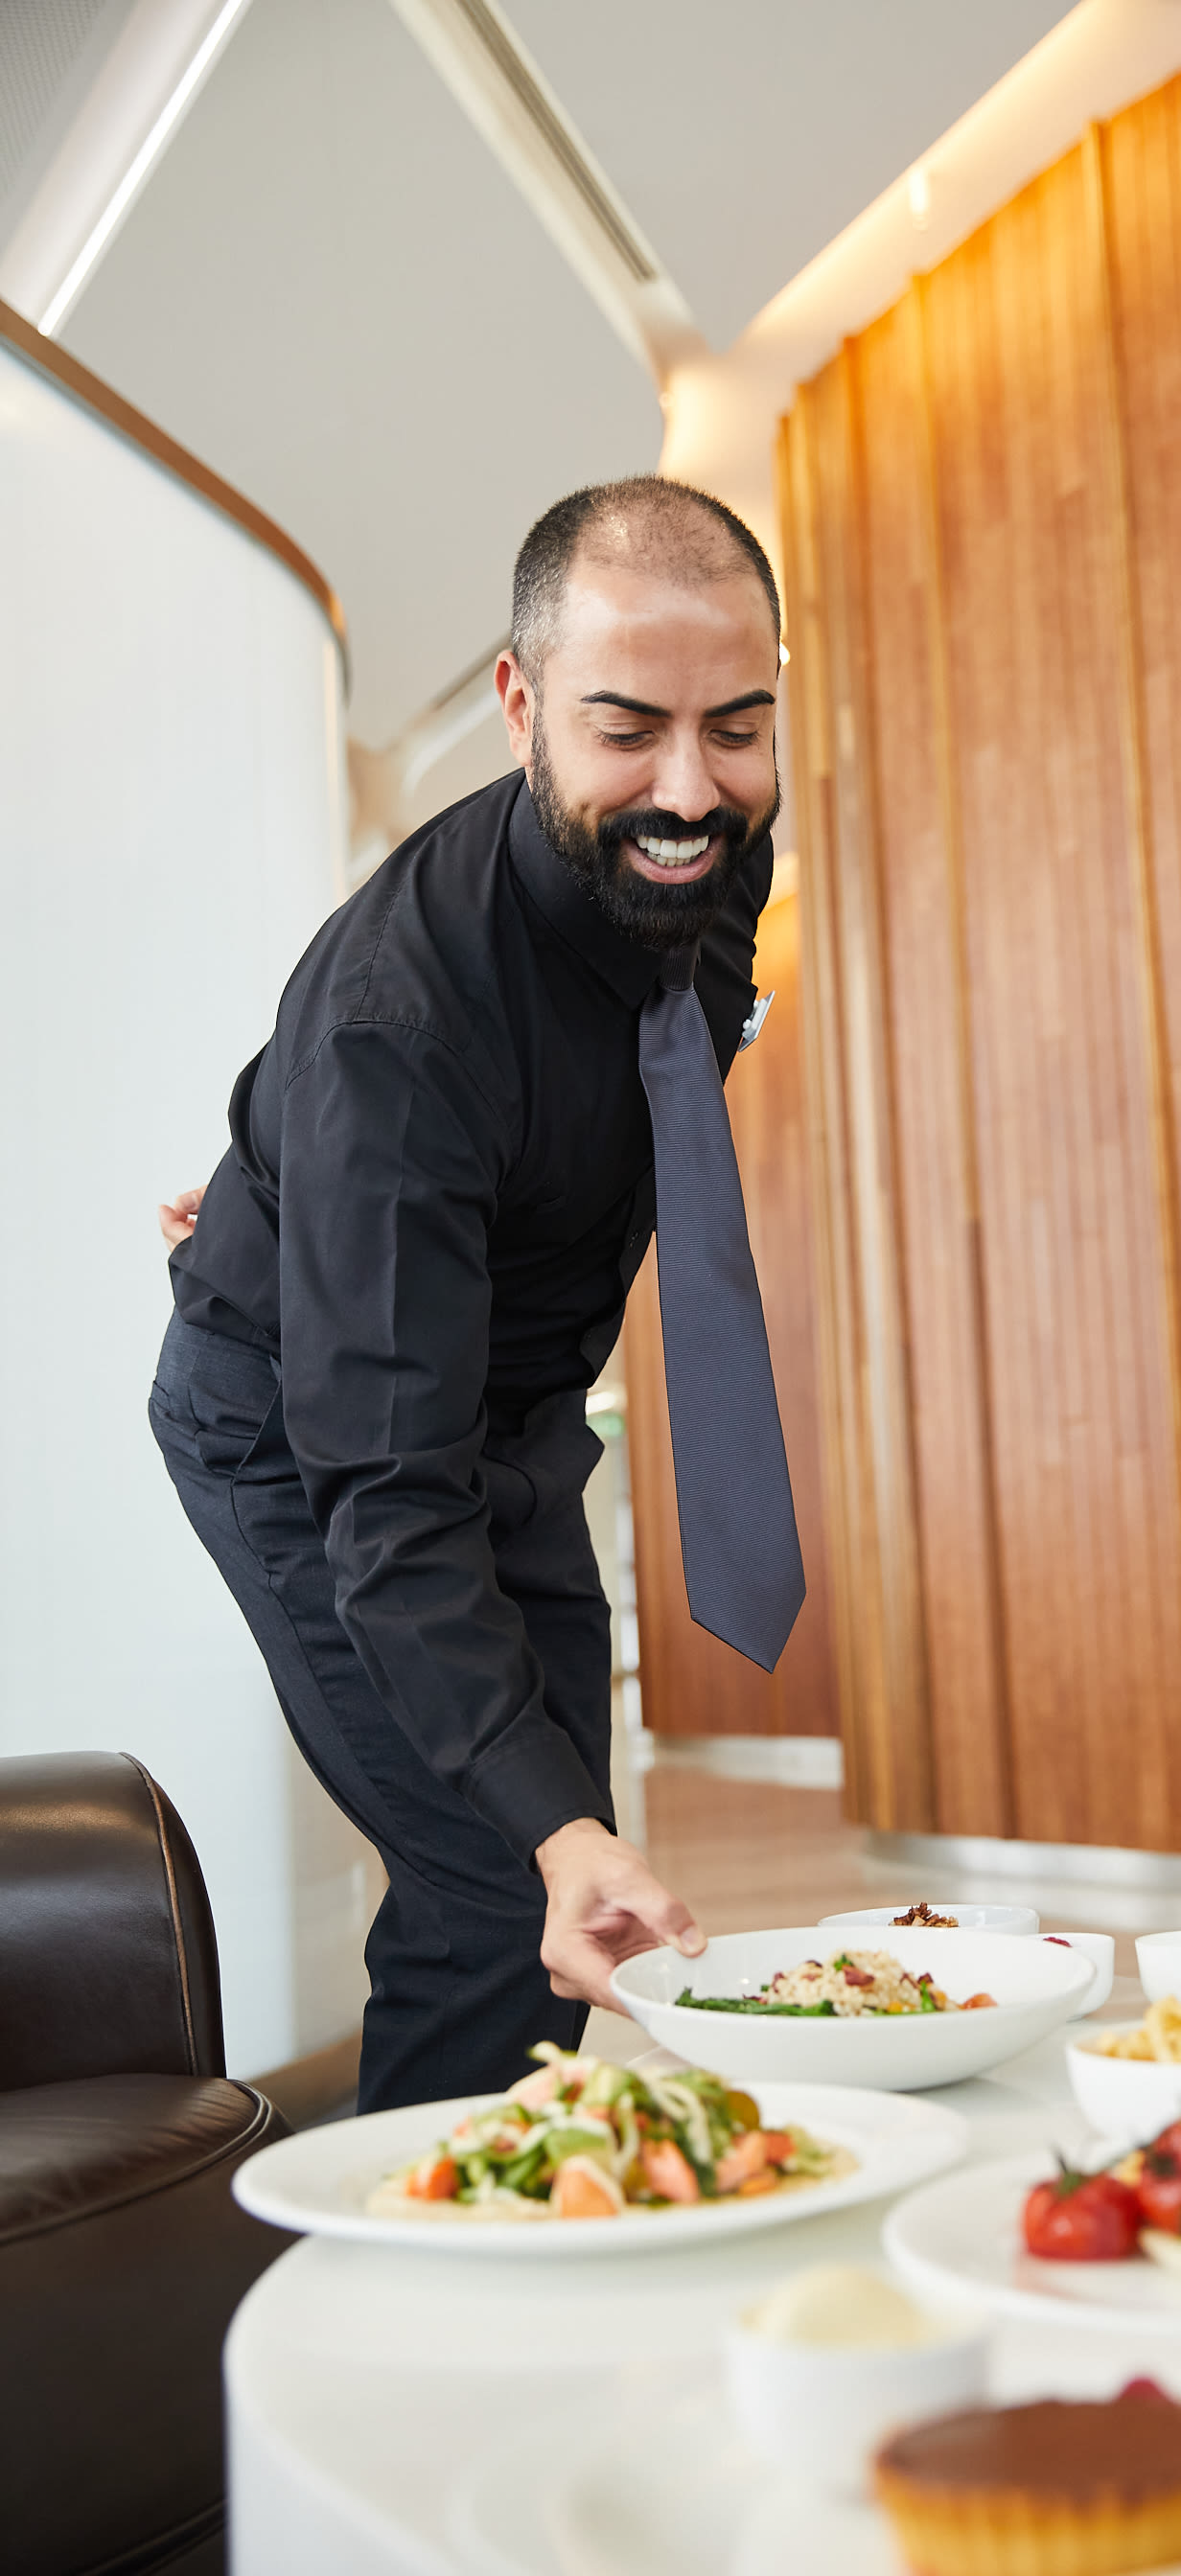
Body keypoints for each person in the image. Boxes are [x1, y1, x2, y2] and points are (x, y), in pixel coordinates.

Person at [151, 476, 802, 2111]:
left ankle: (508, 2210)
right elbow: (380, 1479)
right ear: (518, 704)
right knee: (510, 1875)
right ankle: (404, 2309)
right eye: (627, 728)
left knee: (564, 1846)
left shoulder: (709, 869)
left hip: (500, 1401)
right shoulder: (404, 1023)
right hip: (309, 1443)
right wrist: (318, 1232)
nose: (690, 789)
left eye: (738, 724)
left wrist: (288, 1194)